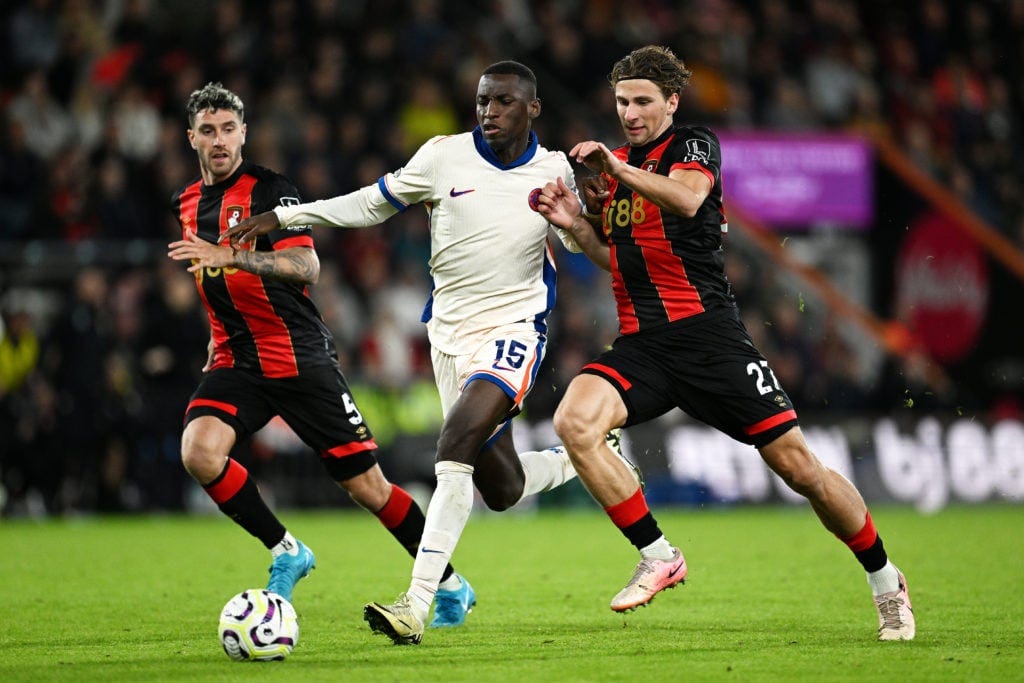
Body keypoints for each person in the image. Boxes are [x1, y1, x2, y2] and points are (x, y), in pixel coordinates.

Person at [224, 61, 637, 645]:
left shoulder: (554, 171)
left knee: (454, 446)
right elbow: (370, 203)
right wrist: (288, 215)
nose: (489, 111)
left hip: (515, 329)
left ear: (533, 109)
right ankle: (581, 455)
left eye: (504, 101)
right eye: (483, 100)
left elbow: (584, 246)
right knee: (502, 488)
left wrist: (589, 215)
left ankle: (416, 604)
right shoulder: (443, 156)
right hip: (447, 337)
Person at [535, 45, 915, 642]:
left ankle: (886, 581)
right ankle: (658, 554)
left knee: (800, 470)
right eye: (622, 101)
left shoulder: (693, 145)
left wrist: (616, 170)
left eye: (642, 101)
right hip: (643, 344)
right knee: (574, 422)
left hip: (711, 340)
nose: (630, 113)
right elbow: (618, 260)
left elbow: (687, 198)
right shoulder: (620, 171)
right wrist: (577, 224)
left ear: (671, 102)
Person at [166, 82, 472, 623]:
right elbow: (209, 278)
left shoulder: (271, 190)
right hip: (238, 359)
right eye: (208, 131)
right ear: (192, 138)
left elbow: (307, 267)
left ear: (244, 133)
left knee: (369, 488)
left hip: (298, 358)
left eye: (228, 129)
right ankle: (287, 551)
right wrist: (217, 330)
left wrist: (233, 257)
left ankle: (449, 583)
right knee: (199, 451)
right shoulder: (185, 202)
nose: (219, 140)